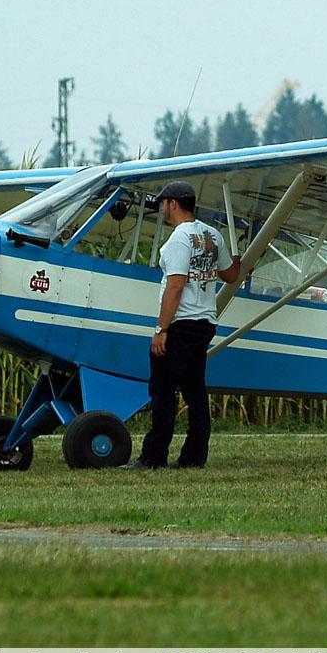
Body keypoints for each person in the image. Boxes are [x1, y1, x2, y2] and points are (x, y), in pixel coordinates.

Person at [125, 181, 239, 469]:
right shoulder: (212, 235)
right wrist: (240, 257)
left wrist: (161, 329)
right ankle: (194, 456)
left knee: (162, 391)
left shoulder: (178, 239)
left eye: (163, 203)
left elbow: (175, 285)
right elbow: (230, 274)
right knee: (195, 392)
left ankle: (153, 457)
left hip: (180, 323)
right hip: (204, 323)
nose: (162, 208)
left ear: (173, 204)